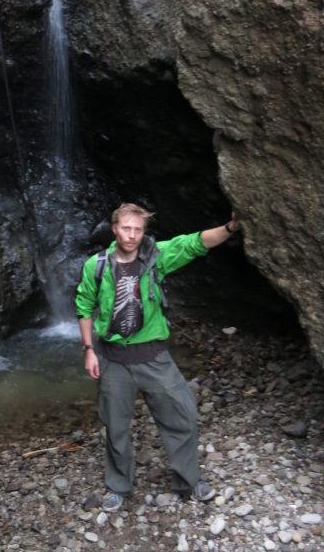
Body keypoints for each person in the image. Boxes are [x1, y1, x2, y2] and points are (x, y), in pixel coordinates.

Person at [76, 202, 241, 512]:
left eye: (138, 230)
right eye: (126, 228)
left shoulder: (155, 257)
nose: (132, 235)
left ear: (143, 232)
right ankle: (118, 486)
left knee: (183, 412)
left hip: (153, 355)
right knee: (115, 425)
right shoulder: (95, 266)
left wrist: (231, 228)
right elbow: (84, 307)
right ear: (115, 229)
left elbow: (194, 243)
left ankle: (188, 482)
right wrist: (89, 351)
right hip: (113, 358)